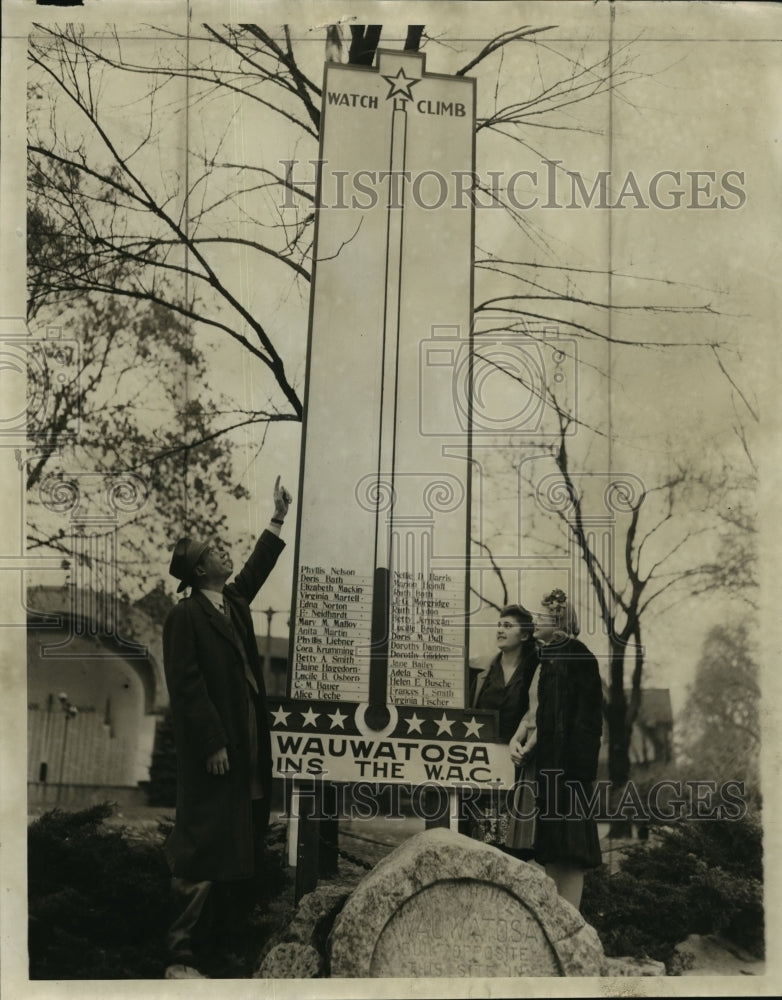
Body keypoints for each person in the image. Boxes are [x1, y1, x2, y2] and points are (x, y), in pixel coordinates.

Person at [162, 476, 292, 979]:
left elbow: (259, 565)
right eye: (216, 551)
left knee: (241, 842)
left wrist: (277, 516)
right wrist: (213, 743)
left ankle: (220, 949)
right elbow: (187, 686)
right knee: (201, 845)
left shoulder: (232, 602)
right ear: (200, 569)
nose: (226, 553)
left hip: (248, 751)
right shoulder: (185, 615)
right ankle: (180, 955)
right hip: (214, 756)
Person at [507, 588, 603, 909]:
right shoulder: (545, 659)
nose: (535, 619)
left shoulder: (570, 656)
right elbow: (535, 710)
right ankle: (555, 920)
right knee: (551, 845)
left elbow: (557, 717)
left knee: (569, 846)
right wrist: (517, 738)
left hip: (564, 766)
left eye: (542, 614)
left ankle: (570, 922)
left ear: (558, 618)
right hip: (544, 763)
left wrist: (532, 745)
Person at [466, 604, 539, 845]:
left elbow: (537, 710)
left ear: (525, 635)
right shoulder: (481, 671)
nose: (500, 630)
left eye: (508, 626)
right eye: (499, 624)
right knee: (481, 834)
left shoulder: (536, 669)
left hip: (520, 761)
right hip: (482, 762)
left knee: (514, 835)